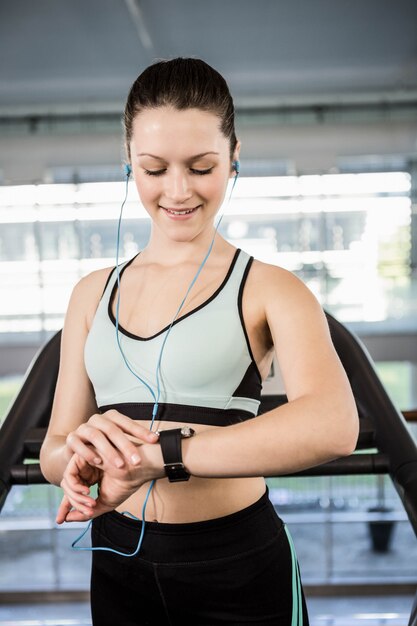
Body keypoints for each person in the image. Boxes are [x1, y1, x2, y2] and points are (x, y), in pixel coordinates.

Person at [40, 57, 359, 626]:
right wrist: (78, 459)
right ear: (129, 164)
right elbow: (55, 446)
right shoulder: (91, 293)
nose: (178, 190)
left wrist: (160, 457)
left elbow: (333, 425)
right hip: (117, 559)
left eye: (202, 166)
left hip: (235, 565)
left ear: (234, 155)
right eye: (154, 168)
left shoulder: (271, 289)